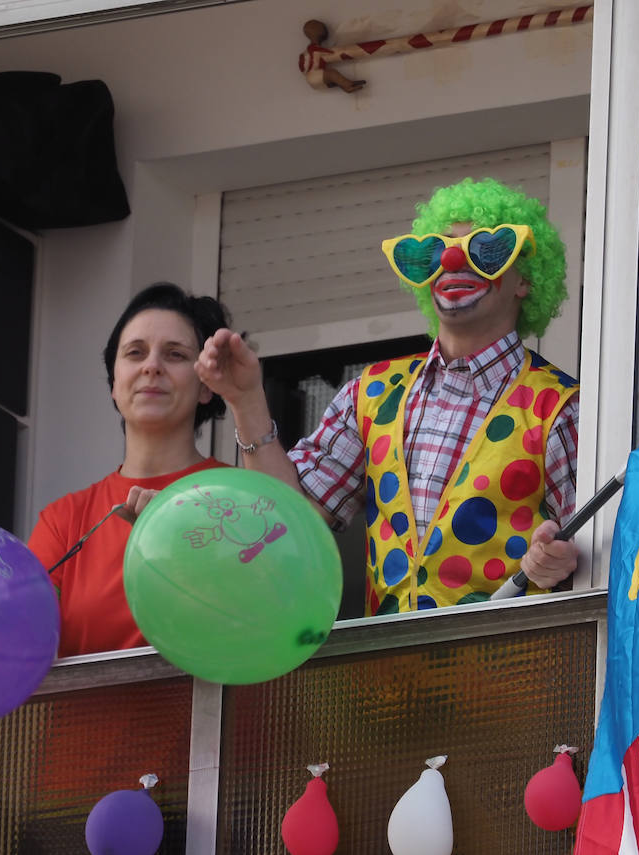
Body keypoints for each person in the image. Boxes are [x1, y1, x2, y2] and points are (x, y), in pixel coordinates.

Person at [196, 177, 580, 614]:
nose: (452, 262)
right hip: (389, 677)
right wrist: (246, 400)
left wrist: (561, 561)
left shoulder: (559, 408)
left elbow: (599, 551)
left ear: (524, 281)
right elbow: (288, 523)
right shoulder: (373, 394)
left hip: (511, 673)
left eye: (486, 251)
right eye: (432, 254)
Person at [28, 282, 228, 655]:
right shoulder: (64, 520)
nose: (152, 366)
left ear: (206, 387)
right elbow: (20, 646)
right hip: (85, 716)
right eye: (135, 353)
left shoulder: (239, 496)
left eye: (175, 355)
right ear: (114, 385)